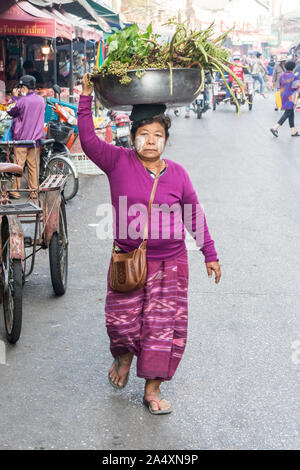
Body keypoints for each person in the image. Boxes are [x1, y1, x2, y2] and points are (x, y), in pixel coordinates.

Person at [78, 73, 221, 415]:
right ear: (133, 138)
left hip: (170, 265)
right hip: (128, 261)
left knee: (162, 329)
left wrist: (209, 254)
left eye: (158, 135)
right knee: (121, 323)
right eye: (144, 134)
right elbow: (87, 140)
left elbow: (193, 215)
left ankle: (152, 390)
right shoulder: (117, 162)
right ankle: (124, 357)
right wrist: (85, 98)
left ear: (167, 140)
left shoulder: (178, 174)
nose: (151, 141)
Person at [6, 75, 45, 199]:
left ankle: (15, 191)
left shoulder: (22, 101)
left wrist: (14, 97)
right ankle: (34, 191)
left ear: (24, 87)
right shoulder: (40, 100)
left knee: (18, 166)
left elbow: (9, 110)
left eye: (21, 87)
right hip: (35, 141)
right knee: (34, 167)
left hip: (22, 140)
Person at [270, 61, 300, 137]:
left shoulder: (282, 76)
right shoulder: (294, 77)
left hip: (283, 96)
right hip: (291, 97)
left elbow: (281, 85)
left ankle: (293, 131)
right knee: (287, 113)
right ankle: (275, 128)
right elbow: (297, 88)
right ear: (293, 68)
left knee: (290, 113)